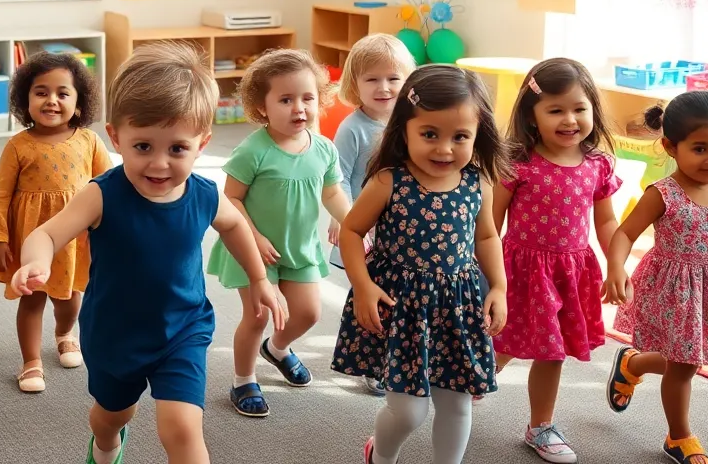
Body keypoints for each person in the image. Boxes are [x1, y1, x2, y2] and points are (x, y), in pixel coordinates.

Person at [9, 41, 285, 464]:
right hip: (114, 334)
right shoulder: (101, 195)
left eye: (177, 148)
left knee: (182, 428)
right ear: (116, 137)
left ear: (203, 143)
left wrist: (260, 279)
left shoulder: (204, 195)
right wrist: (37, 260)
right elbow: (45, 234)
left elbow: (233, 224)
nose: (159, 164)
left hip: (183, 329)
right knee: (112, 415)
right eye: (143, 147)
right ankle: (105, 444)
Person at [331, 65, 509, 464]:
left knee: (457, 405)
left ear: (477, 135)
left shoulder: (478, 182)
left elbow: (486, 237)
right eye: (430, 134)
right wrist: (362, 285)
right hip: (402, 306)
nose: (445, 149)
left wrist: (498, 286)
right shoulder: (389, 181)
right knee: (408, 412)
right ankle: (380, 455)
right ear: (404, 129)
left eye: (460, 137)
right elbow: (352, 231)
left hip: (459, 306)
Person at [603, 86, 708, 464]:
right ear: (669, 147)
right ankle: (679, 437)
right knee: (683, 366)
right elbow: (625, 233)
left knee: (688, 360)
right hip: (676, 291)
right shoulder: (664, 193)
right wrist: (616, 267)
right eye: (700, 148)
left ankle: (632, 364)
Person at [207, 49, 351, 418]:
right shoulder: (252, 150)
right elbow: (231, 200)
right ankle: (243, 380)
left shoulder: (323, 149)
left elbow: (332, 192)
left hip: (299, 248)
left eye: (307, 98)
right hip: (252, 247)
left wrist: (352, 223)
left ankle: (279, 348)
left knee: (307, 313)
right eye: (285, 99)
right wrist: (254, 237)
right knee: (256, 316)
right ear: (262, 107)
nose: (298, 107)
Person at [490, 58, 621, 463]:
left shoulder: (596, 165)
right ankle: (470, 382)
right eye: (556, 110)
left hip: (568, 271)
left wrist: (617, 263)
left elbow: (606, 219)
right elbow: (489, 224)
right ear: (532, 117)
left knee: (552, 351)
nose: (570, 119)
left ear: (592, 111)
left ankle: (540, 426)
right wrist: (484, 274)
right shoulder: (518, 162)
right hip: (517, 269)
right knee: (499, 340)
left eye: (579, 109)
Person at [0, 51, 112, 393]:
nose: (52, 100)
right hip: (30, 237)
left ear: (79, 103)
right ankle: (31, 362)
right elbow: (0, 195)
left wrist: (114, 230)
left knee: (69, 298)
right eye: (41, 92)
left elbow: (110, 187)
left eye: (62, 93)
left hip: (75, 237)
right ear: (26, 100)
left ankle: (66, 334)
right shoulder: (18, 146)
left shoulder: (90, 141)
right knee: (32, 298)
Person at [327, 33, 416, 396]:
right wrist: (344, 219)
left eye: (393, 78)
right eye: (372, 79)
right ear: (355, 84)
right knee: (372, 296)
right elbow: (338, 177)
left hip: (403, 226)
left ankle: (399, 355)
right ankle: (375, 363)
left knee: (402, 295)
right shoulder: (352, 129)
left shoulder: (410, 121)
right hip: (365, 227)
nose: (384, 87)